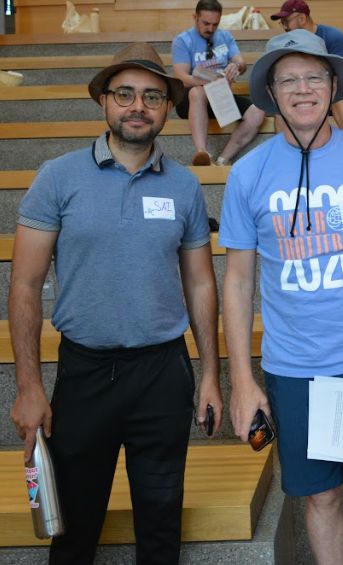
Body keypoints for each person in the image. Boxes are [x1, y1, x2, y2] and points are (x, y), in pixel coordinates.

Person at [9, 42, 222, 564]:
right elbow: (25, 286)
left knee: (161, 529)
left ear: (167, 108)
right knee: (74, 531)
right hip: (85, 375)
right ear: (104, 101)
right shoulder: (57, 177)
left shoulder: (184, 186)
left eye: (152, 96)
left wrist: (211, 376)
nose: (138, 106)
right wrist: (29, 386)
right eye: (125, 94)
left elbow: (201, 285)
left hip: (163, 374)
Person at [220, 30, 343, 564]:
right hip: (293, 370)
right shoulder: (247, 173)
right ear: (271, 93)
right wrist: (242, 379)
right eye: (288, 80)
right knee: (321, 498)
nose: (302, 89)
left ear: (334, 86)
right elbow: (237, 281)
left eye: (314, 77)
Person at [172, 0, 266, 166]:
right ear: (195, 17)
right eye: (206, 23)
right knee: (198, 91)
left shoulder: (225, 37)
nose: (210, 29)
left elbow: (241, 63)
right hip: (191, 100)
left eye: (215, 24)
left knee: (257, 112)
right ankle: (202, 153)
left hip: (220, 96)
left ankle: (223, 159)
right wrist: (209, 79)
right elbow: (182, 78)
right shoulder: (183, 40)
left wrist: (235, 66)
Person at [270, 0, 343, 133]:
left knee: (337, 90)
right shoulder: (287, 42)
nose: (285, 27)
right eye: (282, 23)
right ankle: (283, 145)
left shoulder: (333, 36)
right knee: (280, 101)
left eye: (286, 22)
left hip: (341, 92)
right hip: (307, 91)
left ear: (302, 18)